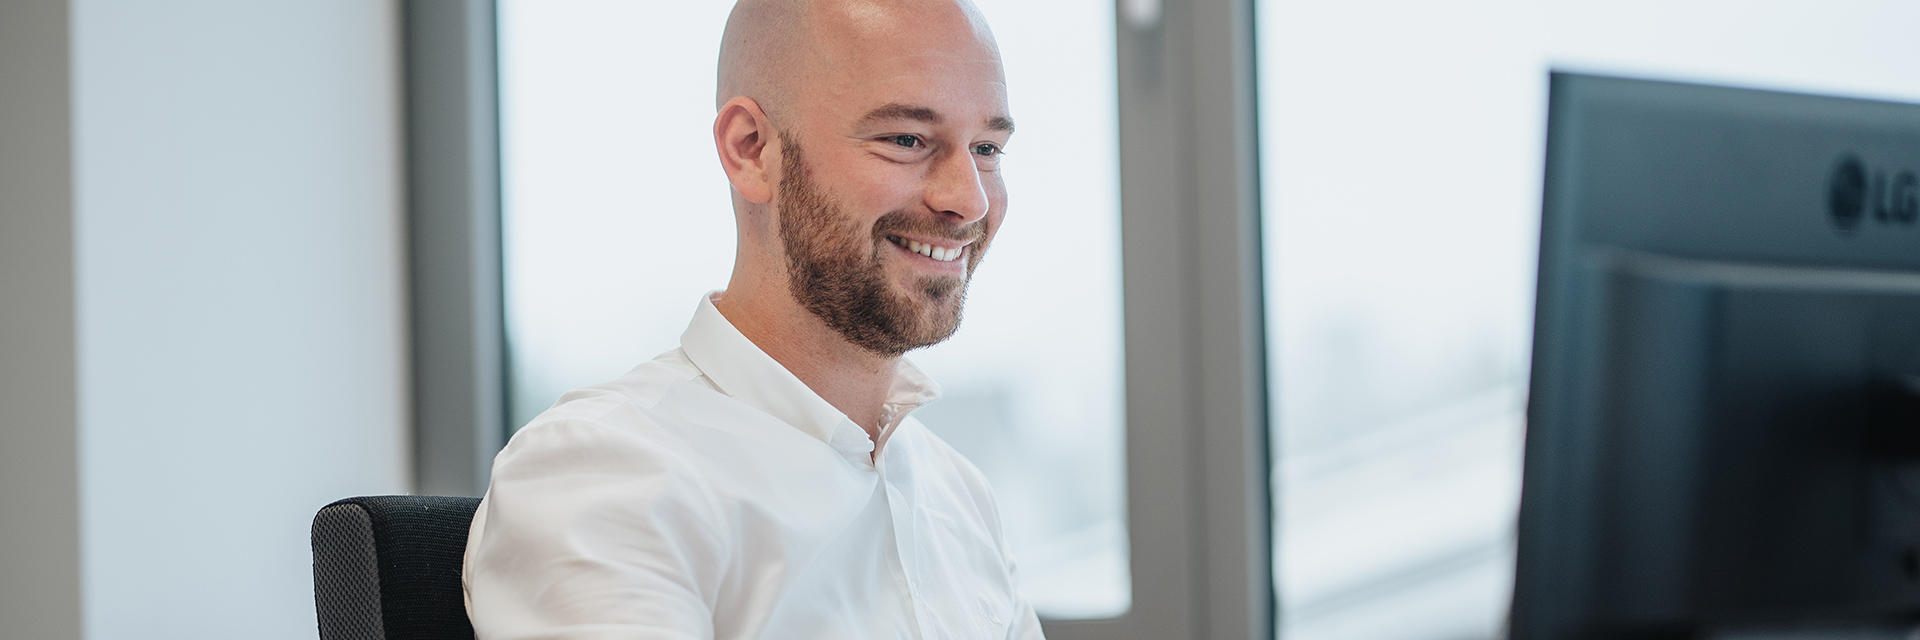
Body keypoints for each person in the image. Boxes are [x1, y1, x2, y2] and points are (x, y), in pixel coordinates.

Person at [461, 0, 1042, 638]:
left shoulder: (959, 497)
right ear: (752, 150)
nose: (968, 198)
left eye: (987, 147)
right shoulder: (604, 474)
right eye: (906, 139)